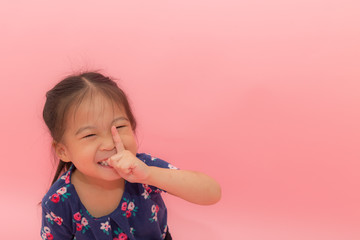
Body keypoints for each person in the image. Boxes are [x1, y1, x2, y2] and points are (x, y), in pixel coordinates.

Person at [40, 72, 221, 240]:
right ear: (63, 150)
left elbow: (212, 193)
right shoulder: (58, 200)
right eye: (90, 135)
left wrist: (150, 175)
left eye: (119, 127)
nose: (110, 144)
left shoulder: (143, 167)